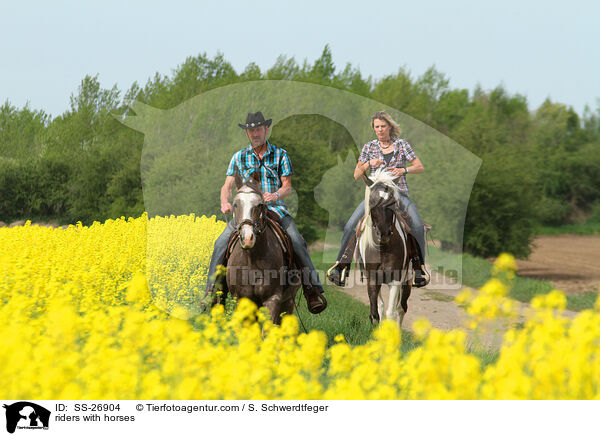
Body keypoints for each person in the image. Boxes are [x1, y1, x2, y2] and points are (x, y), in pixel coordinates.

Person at [205, 111, 327, 314]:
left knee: (297, 241)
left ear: (266, 129)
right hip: (246, 212)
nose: (255, 133)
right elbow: (226, 185)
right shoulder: (239, 157)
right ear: (247, 132)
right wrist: (224, 201)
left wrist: (275, 195)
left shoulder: (280, 155)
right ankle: (213, 292)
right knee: (220, 243)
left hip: (274, 209)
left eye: (259, 129)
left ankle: (311, 290)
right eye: (251, 130)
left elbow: (287, 186)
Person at [327, 111, 430, 287]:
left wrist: (404, 170)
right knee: (351, 225)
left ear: (389, 126)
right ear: (373, 128)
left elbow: (419, 167)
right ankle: (340, 266)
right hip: (375, 196)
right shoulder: (369, 147)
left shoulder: (402, 145)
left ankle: (418, 268)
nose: (380, 130)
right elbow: (356, 175)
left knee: (418, 226)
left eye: (383, 126)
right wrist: (368, 164)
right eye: (377, 127)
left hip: (399, 194)